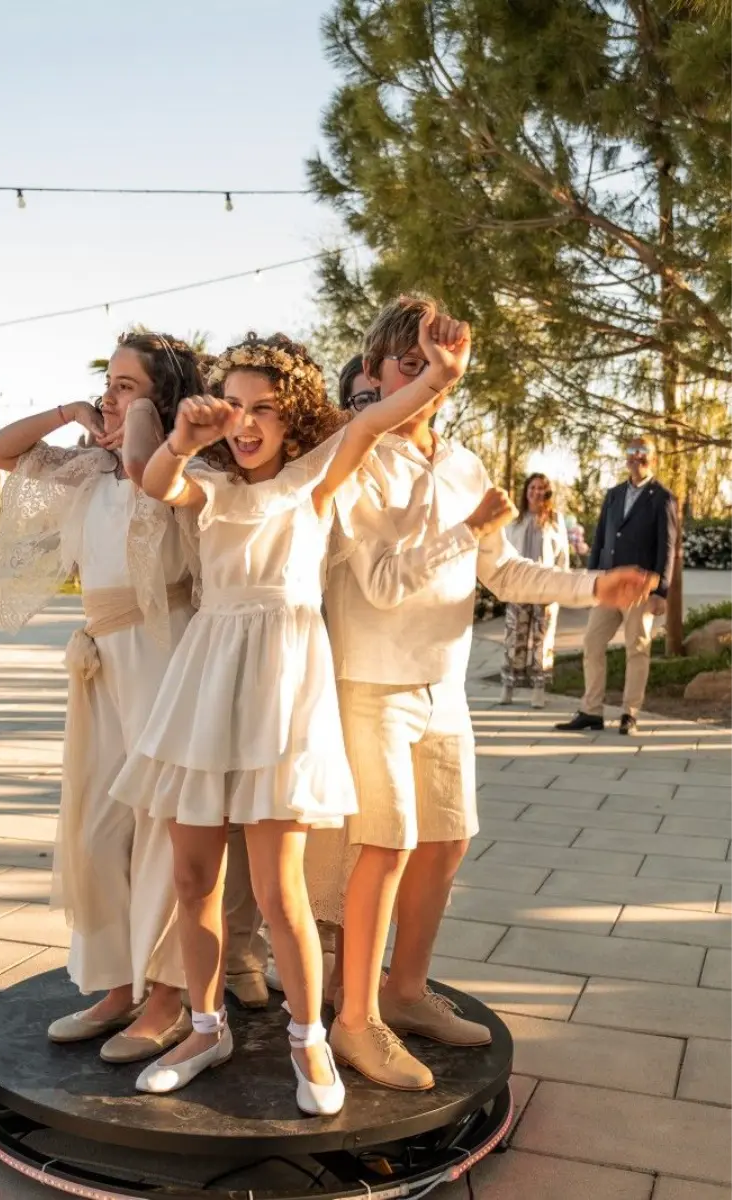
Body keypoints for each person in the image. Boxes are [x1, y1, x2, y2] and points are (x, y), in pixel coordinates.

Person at [110, 311, 466, 1115]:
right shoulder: (207, 483)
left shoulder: (315, 477)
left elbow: (375, 418)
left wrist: (439, 376)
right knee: (193, 876)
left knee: (280, 890)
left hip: (282, 687)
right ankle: (207, 1029)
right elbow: (156, 482)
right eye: (233, 405)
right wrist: (183, 437)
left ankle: (311, 1040)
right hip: (208, 681)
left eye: (263, 408)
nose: (245, 422)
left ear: (292, 414)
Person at [309, 296, 657, 1093]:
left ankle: (404, 992)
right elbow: (383, 583)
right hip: (370, 683)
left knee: (448, 841)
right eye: (410, 365)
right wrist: (465, 532)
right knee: (384, 848)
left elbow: (503, 572)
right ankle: (354, 1021)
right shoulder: (355, 456)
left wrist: (595, 584)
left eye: (437, 366)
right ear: (375, 372)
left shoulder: (464, 462)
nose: (428, 379)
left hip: (445, 685)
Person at [0, 330, 256, 1063]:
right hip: (102, 662)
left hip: (166, 656)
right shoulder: (88, 467)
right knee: (97, 828)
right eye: (107, 382)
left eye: (126, 385)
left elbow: (143, 468)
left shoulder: (182, 466)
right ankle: (114, 983)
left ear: (163, 398)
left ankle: (168, 998)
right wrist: (69, 410)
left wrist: (139, 415)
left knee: (166, 828)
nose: (109, 396)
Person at [556, 435, 678, 735]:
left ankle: (629, 713)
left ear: (653, 458)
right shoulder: (613, 495)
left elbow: (667, 547)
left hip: (639, 589)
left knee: (637, 649)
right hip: (608, 586)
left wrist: (661, 591)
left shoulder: (662, 497)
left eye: (643, 451)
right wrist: (591, 580)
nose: (636, 456)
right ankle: (591, 711)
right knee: (592, 643)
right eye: (632, 451)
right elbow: (599, 540)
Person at [500, 472, 569, 709]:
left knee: (543, 640)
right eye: (532, 487)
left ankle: (539, 689)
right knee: (514, 638)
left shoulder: (555, 520)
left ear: (547, 492)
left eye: (541, 488)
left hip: (546, 588)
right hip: (519, 587)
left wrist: (563, 584)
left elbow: (563, 555)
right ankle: (508, 685)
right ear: (526, 491)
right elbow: (504, 552)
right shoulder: (514, 519)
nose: (536, 492)